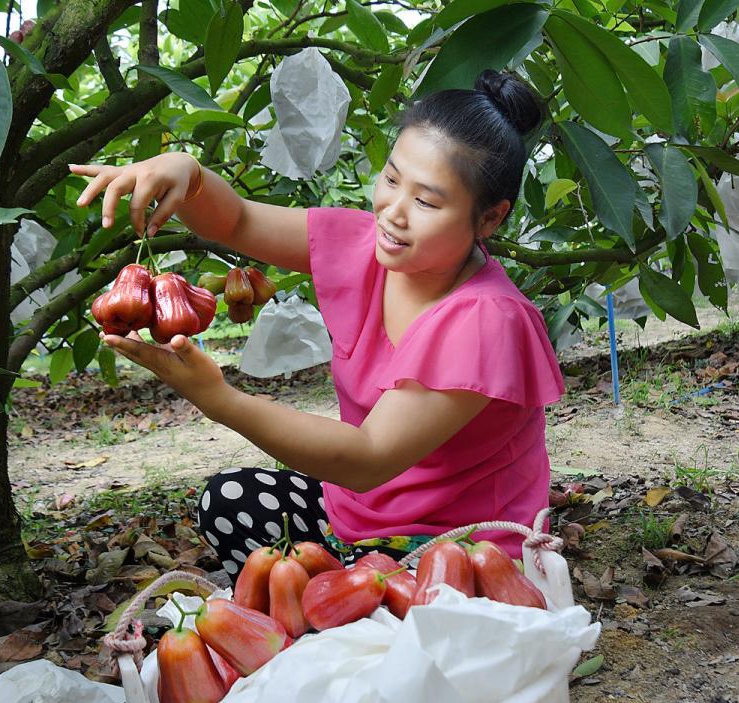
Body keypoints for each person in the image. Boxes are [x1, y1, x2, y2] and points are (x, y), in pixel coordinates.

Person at [69, 69, 564, 579]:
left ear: (489, 219)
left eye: (425, 201)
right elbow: (235, 221)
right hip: (352, 520)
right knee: (228, 502)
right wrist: (186, 172)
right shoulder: (365, 246)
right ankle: (332, 603)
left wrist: (220, 400)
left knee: (359, 600)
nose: (393, 212)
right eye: (391, 180)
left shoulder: (488, 320)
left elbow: (368, 458)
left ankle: (336, 609)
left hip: (460, 548)